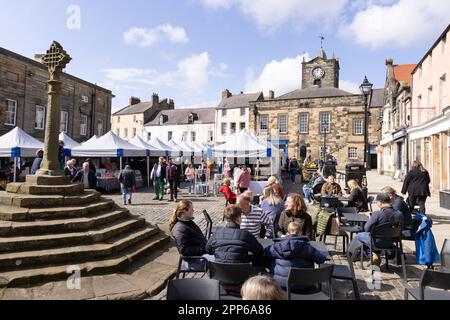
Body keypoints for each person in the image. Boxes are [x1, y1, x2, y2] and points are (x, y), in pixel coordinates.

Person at [265, 222, 327, 290]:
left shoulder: (277, 246)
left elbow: (266, 253)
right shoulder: (307, 247)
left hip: (281, 284)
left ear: (287, 233)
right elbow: (321, 259)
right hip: (304, 284)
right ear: (301, 233)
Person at [351, 193, 404, 265]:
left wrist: (371, 219)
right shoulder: (399, 214)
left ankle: (352, 256)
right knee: (373, 237)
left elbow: (366, 228)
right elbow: (401, 228)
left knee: (359, 236)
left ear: (380, 202)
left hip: (376, 242)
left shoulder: (377, 214)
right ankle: (375, 255)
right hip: (391, 242)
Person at [170, 201, 213, 270]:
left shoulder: (187, 221)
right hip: (195, 260)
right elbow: (184, 251)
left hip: (202, 255)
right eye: (191, 209)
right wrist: (203, 248)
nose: (193, 210)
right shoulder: (179, 229)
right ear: (184, 211)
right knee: (221, 262)